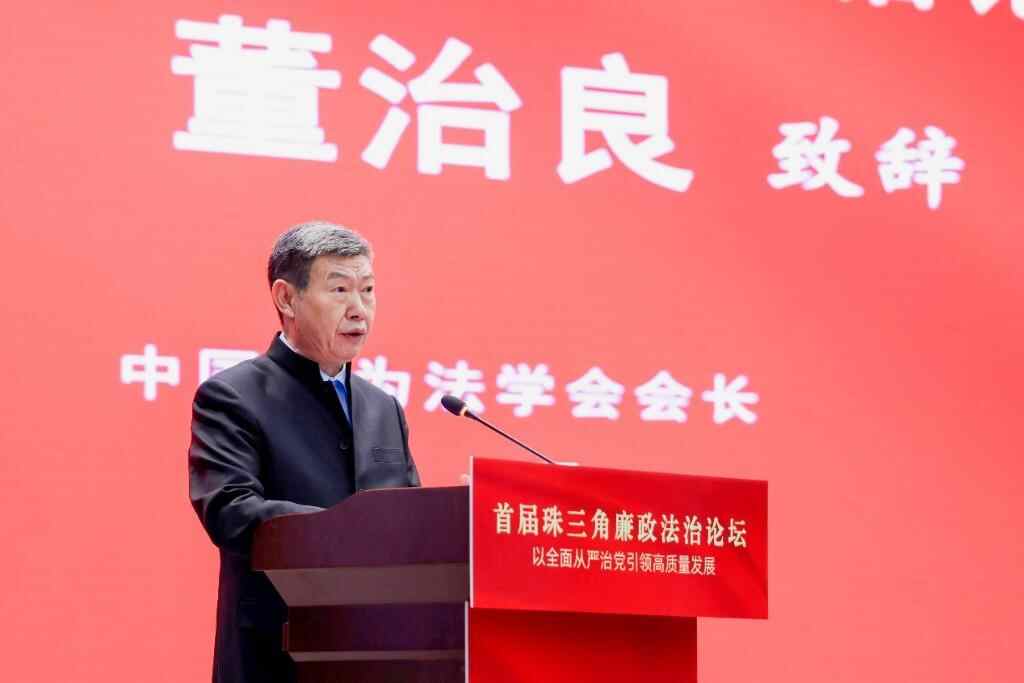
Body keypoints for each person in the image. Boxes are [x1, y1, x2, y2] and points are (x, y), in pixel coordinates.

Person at [188, 221, 420, 683]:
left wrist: (455, 518)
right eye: (340, 290)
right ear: (286, 298)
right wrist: (348, 531)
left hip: (376, 657)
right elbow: (231, 511)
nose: (359, 309)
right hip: (276, 659)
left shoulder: (383, 408)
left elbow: (409, 520)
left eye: (368, 290)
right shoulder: (233, 397)